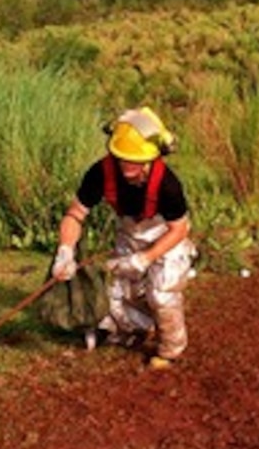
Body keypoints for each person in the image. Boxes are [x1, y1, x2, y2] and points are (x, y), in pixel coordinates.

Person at [51, 107, 197, 370]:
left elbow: (180, 229)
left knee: (162, 292)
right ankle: (136, 330)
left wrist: (146, 258)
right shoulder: (99, 173)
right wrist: (65, 250)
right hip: (130, 232)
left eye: (135, 161)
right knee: (120, 292)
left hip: (165, 236)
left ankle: (170, 349)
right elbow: (75, 214)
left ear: (152, 158)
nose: (128, 167)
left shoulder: (168, 185)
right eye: (122, 159)